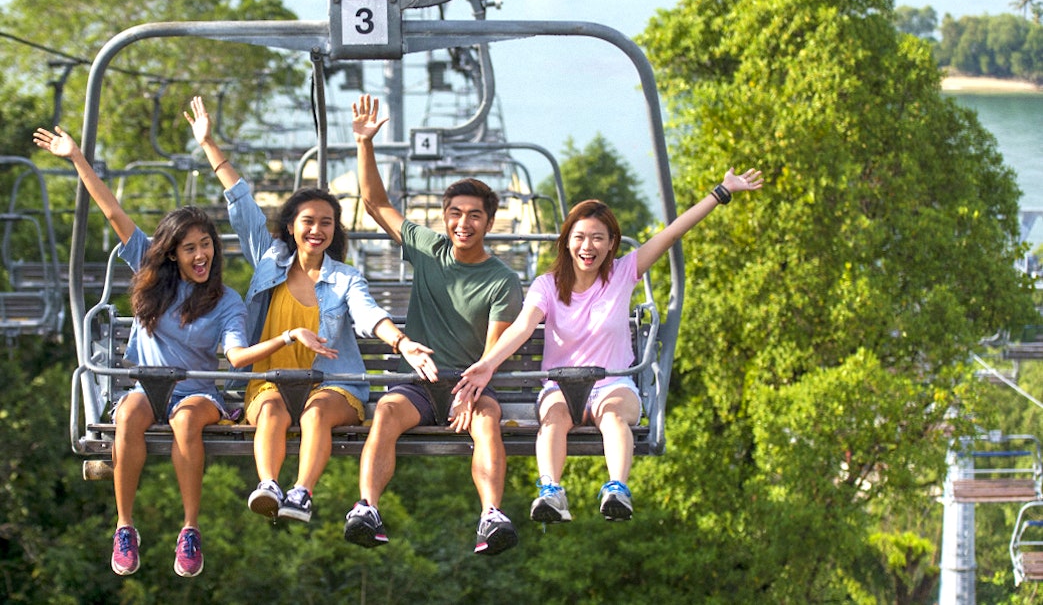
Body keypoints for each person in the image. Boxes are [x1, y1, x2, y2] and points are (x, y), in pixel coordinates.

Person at [33, 126, 324, 577]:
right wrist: (76, 159)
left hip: (196, 392)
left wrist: (286, 339)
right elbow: (112, 212)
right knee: (128, 414)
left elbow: (237, 357)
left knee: (186, 419)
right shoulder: (153, 277)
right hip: (147, 386)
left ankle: (190, 530)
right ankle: (125, 527)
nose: (201, 255)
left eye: (206, 245)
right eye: (190, 248)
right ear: (172, 254)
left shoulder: (226, 301)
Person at [455, 168, 763, 523]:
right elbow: (523, 326)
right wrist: (488, 364)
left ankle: (617, 488)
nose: (588, 248)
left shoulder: (623, 273)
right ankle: (551, 492)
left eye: (598, 239)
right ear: (567, 240)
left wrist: (721, 191)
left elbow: (673, 233)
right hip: (560, 384)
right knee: (553, 421)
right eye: (581, 237)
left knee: (614, 417)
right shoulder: (547, 285)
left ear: (612, 243)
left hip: (613, 383)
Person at [184, 96, 437, 524]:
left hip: (333, 385)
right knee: (270, 409)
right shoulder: (269, 261)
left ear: (334, 231)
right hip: (270, 379)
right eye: (308, 221)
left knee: (317, 410)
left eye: (326, 223)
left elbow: (368, 313)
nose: (317, 230)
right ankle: (269, 483)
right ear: (290, 227)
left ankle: (301, 493)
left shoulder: (345, 278)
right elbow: (240, 203)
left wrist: (402, 341)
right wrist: (209, 144)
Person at [341, 94, 524, 555]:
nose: (464, 223)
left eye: (475, 215)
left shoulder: (502, 280)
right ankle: (367, 507)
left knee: (487, 423)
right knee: (384, 412)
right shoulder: (427, 247)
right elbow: (376, 203)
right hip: (420, 385)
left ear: (489, 221)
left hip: (472, 384)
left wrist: (469, 391)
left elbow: (492, 354)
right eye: (456, 214)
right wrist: (365, 144)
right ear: (445, 217)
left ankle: (491, 515)